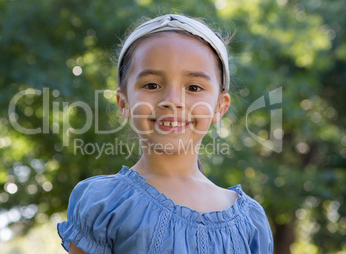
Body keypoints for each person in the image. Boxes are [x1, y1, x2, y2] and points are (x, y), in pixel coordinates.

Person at [57, 14, 274, 254]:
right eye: (151, 85)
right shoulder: (103, 204)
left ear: (219, 107)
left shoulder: (251, 220)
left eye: (193, 87)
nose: (172, 101)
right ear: (124, 102)